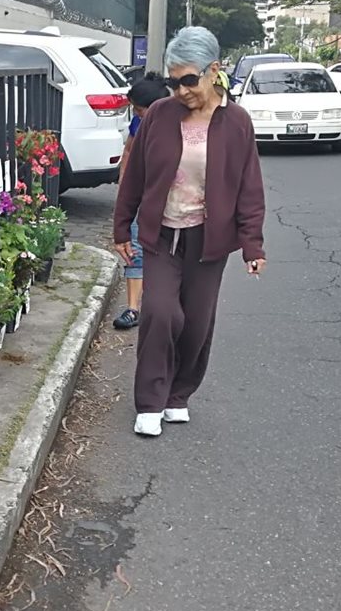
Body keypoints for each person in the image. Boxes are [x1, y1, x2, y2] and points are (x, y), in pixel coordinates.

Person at [113, 26, 267, 437]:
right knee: (161, 313)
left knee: (197, 322)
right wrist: (120, 228)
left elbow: (249, 186)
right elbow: (136, 177)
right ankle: (149, 401)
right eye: (172, 81)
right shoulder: (160, 115)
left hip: (207, 241)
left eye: (188, 80)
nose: (180, 91)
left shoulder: (236, 122)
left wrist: (253, 244)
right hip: (162, 235)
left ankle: (178, 395)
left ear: (213, 71)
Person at [113, 73, 171, 330]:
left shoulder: (179, 125)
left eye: (138, 109)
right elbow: (128, 150)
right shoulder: (139, 123)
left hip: (172, 203)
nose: (136, 114)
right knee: (134, 249)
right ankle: (133, 309)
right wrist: (125, 186)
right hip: (142, 198)